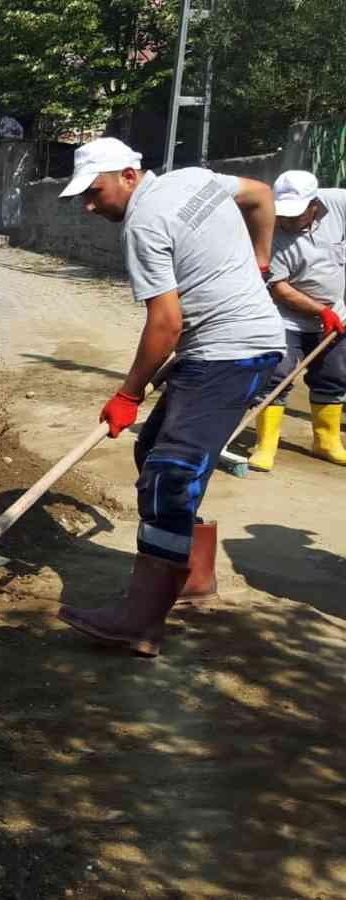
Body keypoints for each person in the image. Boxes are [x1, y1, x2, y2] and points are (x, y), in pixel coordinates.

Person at [55, 138, 284, 654]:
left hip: (230, 352)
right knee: (152, 449)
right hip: (224, 346)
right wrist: (260, 260)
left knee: (170, 477)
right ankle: (193, 578)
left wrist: (128, 392)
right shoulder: (193, 179)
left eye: (94, 193)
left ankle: (139, 621)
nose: (90, 207)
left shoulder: (142, 223)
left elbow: (166, 321)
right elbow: (261, 196)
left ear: (129, 176)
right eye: (82, 200)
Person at [245, 170, 346, 472]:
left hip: (337, 312)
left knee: (334, 376)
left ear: (314, 203)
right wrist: (321, 311)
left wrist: (334, 310)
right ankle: (265, 445)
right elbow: (279, 286)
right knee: (277, 375)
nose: (287, 221)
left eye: (296, 214)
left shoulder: (338, 204)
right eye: (283, 214)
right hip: (285, 316)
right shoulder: (269, 231)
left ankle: (326, 442)